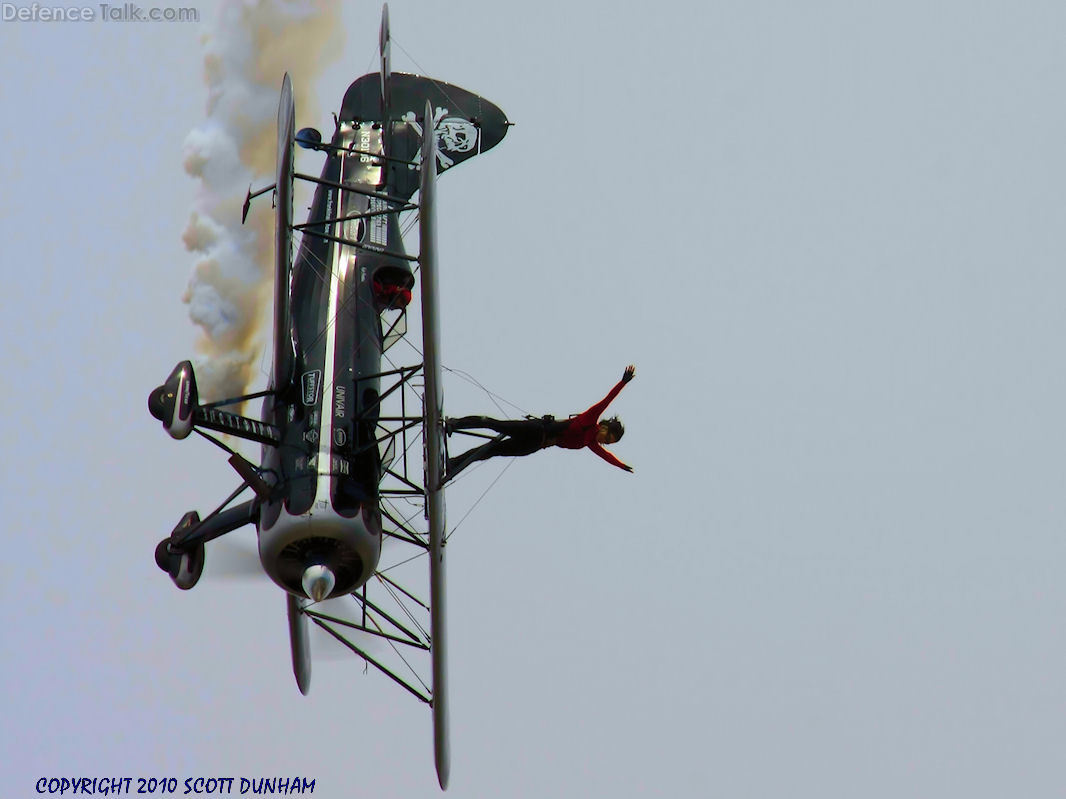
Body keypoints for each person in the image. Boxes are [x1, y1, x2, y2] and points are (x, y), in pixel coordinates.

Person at [445, 365, 635, 480]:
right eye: (607, 437)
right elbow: (608, 399)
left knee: (491, 451)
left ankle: (454, 463)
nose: (604, 442)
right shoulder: (590, 419)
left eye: (607, 442)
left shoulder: (590, 443)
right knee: (494, 424)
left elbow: (607, 457)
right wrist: (623, 382)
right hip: (536, 430)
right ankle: (454, 423)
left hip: (536, 444)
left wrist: (621, 465)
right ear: (604, 426)